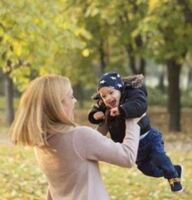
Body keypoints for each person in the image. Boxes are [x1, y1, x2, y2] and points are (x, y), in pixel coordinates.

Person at [9, 74, 143, 200]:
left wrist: (105, 123)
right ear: (58, 105)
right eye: (71, 97)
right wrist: (131, 119)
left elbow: (55, 187)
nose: (75, 101)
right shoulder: (79, 136)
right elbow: (127, 157)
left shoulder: (42, 143)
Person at [88, 72, 183, 192]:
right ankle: (174, 169)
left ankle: (173, 177)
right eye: (104, 96)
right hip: (134, 147)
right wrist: (94, 115)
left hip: (149, 138)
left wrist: (122, 110)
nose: (108, 98)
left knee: (159, 157)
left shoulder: (132, 94)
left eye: (111, 93)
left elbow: (139, 105)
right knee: (147, 170)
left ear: (120, 89)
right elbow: (95, 109)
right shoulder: (105, 105)